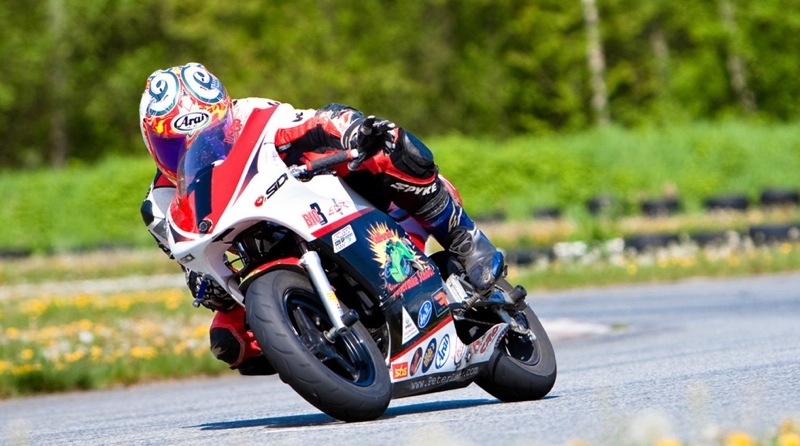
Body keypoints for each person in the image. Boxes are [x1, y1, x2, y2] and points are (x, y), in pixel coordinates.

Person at [138, 62, 504, 375]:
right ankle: (322, 344)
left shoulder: (255, 116)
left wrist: (351, 129)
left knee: (390, 144)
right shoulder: (160, 205)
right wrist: (207, 286)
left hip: (317, 200)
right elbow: (193, 267)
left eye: (207, 135)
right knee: (230, 342)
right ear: (151, 143)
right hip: (261, 262)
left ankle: (464, 238)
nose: (193, 150)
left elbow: (316, 121)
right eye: (174, 144)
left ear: (227, 114)